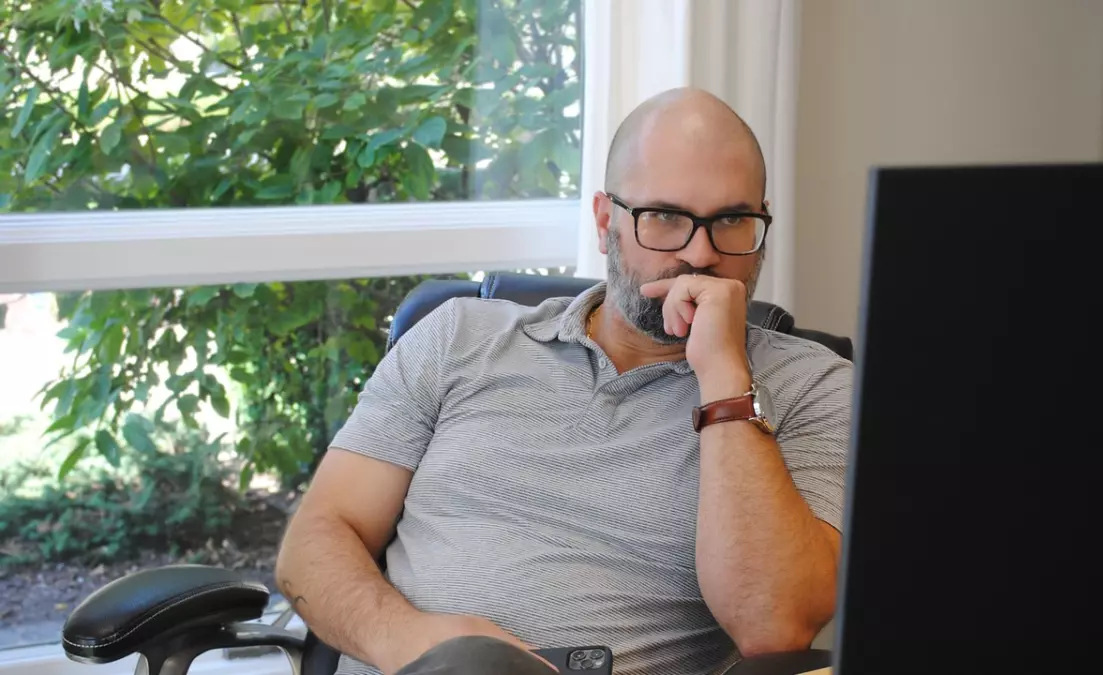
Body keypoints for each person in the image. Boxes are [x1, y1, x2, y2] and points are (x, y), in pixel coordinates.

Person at [274, 87, 852, 675]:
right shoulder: (458, 338)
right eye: (665, 217)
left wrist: (726, 378)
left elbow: (775, 625)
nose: (701, 254)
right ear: (606, 223)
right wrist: (413, 644)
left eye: (732, 219)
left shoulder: (816, 387)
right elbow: (316, 541)